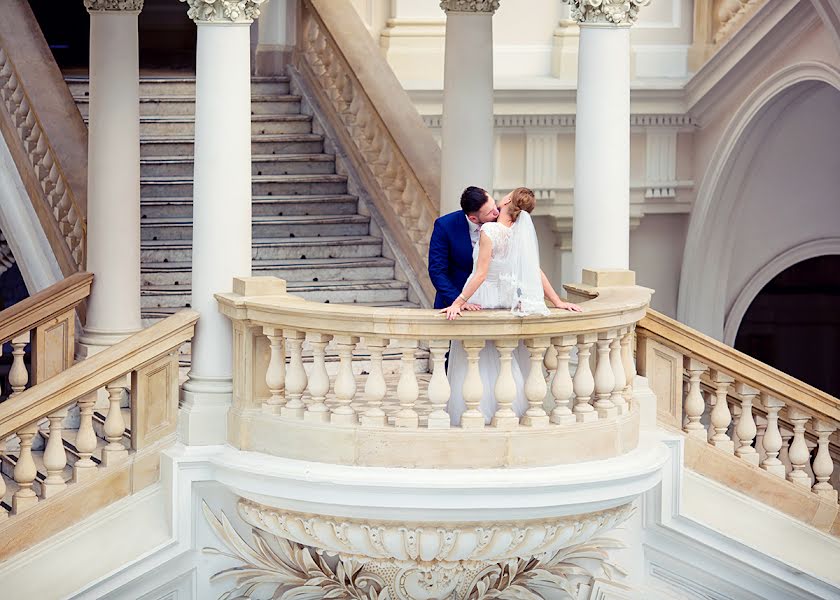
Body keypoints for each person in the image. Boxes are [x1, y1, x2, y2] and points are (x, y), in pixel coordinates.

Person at [440, 187, 582, 426]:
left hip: (483, 298)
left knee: (479, 359)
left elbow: (481, 273)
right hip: (505, 301)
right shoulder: (518, 233)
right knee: (502, 357)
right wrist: (557, 301)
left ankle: (479, 409)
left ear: (506, 201)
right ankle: (506, 408)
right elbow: (535, 271)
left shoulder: (490, 230)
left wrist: (458, 302)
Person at [428, 186, 500, 311]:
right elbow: (437, 271)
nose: (496, 212)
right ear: (473, 218)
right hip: (454, 304)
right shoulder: (445, 226)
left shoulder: (501, 220)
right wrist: (459, 301)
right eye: (490, 212)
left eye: (494, 204)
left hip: (493, 302)